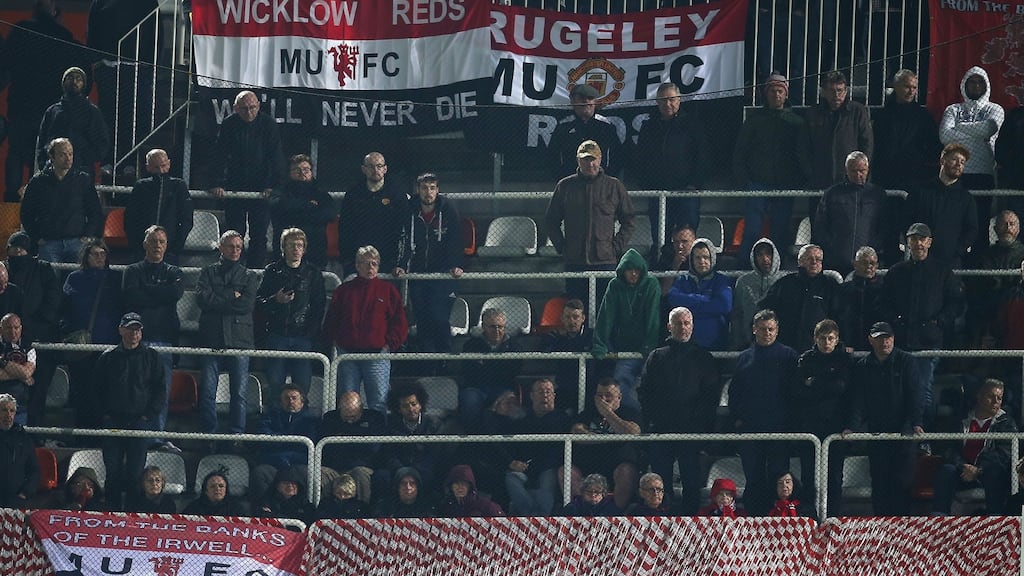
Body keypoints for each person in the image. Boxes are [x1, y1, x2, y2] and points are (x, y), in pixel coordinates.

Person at [638, 307, 721, 515]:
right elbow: (645, 393)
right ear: (669, 326)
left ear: (692, 326)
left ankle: (690, 528)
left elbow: (710, 397)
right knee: (660, 484)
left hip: (691, 432)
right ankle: (661, 523)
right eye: (678, 323)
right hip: (661, 431)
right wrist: (653, 422)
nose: (682, 327)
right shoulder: (656, 357)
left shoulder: (704, 358)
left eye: (686, 323)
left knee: (692, 483)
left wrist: (700, 427)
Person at [882, 223, 963, 434]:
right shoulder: (895, 272)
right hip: (900, 342)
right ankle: (903, 436)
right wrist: (896, 320)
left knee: (923, 391)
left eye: (922, 238)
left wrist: (939, 321)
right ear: (908, 242)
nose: (918, 243)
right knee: (898, 392)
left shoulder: (942, 271)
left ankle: (922, 437)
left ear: (929, 242)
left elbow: (956, 302)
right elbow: (883, 303)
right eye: (913, 238)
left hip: (928, 342)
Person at [0, 0, 82, 200]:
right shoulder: (63, 37)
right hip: (50, 108)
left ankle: (11, 199)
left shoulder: (20, 30)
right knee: (44, 155)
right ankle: (36, 198)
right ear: (55, 13)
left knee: (16, 152)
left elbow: (7, 62)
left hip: (21, 103)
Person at [847, 321, 924, 516]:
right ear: (870, 340)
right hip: (877, 433)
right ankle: (880, 531)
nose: (885, 342)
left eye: (888, 337)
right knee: (880, 483)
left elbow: (915, 395)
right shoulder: (863, 366)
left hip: (903, 434)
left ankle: (902, 531)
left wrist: (915, 423)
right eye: (880, 338)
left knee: (902, 484)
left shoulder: (906, 361)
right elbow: (858, 400)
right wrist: (852, 427)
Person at [544, 140, 634, 305]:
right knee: (576, 310)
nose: (590, 163)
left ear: (600, 159)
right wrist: (562, 247)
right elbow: (551, 221)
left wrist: (615, 247)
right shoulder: (564, 186)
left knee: (605, 308)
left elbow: (629, 220)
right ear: (578, 161)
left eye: (593, 159)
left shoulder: (614, 186)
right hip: (575, 261)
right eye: (585, 159)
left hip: (605, 261)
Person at [734, 73, 811, 260]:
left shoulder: (797, 123)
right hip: (757, 183)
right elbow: (740, 152)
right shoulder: (754, 121)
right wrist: (745, 181)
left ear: (786, 95)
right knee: (751, 230)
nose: (776, 95)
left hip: (785, 184)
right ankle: (744, 268)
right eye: (772, 91)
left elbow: (803, 154)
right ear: (765, 94)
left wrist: (800, 180)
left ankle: (779, 270)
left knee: (780, 231)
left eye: (780, 91)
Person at [121, 225, 184, 453]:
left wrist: (147, 291)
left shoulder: (175, 272)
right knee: (136, 390)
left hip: (165, 338)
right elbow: (131, 296)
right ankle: (136, 437)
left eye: (162, 242)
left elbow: (174, 294)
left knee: (161, 391)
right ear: (145, 244)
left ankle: (156, 437)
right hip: (138, 341)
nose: (157, 245)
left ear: (166, 246)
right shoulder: (133, 270)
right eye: (153, 241)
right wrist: (160, 292)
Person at [730, 309, 798, 516]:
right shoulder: (744, 358)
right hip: (751, 431)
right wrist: (738, 420)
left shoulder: (789, 356)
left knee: (779, 479)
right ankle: (754, 524)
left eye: (771, 329)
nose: (767, 333)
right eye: (762, 329)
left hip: (779, 430)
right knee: (753, 478)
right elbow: (735, 392)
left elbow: (795, 393)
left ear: (777, 331)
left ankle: (779, 523)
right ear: (754, 330)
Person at [324, 245, 407, 414]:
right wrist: (335, 341)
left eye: (374, 263)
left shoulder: (388, 291)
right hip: (347, 355)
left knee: (378, 404)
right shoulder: (343, 291)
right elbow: (332, 320)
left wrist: (388, 345)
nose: (371, 267)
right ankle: (346, 439)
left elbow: (400, 323)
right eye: (366, 263)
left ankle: (375, 441)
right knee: (347, 403)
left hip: (377, 356)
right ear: (357, 265)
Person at [209, 90, 286, 269]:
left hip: (261, 189)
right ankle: (233, 271)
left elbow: (275, 157)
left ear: (258, 106)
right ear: (235, 108)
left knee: (259, 234)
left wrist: (273, 186)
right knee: (235, 233)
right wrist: (217, 183)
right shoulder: (229, 124)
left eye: (252, 108)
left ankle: (255, 272)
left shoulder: (268, 124)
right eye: (244, 109)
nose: (249, 112)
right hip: (235, 186)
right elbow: (220, 155)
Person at [95, 312, 164, 502]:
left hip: (139, 422)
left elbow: (160, 389)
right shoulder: (107, 358)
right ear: (120, 330)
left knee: (135, 473)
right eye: (130, 329)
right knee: (113, 471)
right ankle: (111, 515)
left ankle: (132, 518)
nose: (134, 333)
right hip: (113, 421)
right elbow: (96, 390)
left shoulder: (152, 357)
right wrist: (105, 415)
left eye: (137, 329)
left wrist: (148, 416)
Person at [393, 173, 463, 355]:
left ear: (438, 190)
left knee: (439, 317)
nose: (428, 192)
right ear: (418, 190)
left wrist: (455, 264)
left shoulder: (448, 209)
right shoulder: (409, 209)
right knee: (422, 319)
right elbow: (403, 238)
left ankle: (443, 359)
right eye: (424, 188)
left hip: (443, 274)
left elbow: (456, 239)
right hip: (418, 272)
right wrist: (401, 263)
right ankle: (426, 362)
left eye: (432, 188)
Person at [197, 230, 258, 436]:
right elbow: (202, 300)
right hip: (211, 339)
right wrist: (231, 295)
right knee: (207, 393)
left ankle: (236, 435)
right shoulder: (207, 272)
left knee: (239, 394)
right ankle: (208, 434)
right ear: (221, 248)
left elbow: (246, 305)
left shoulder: (250, 276)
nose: (235, 250)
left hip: (240, 340)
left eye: (238, 247)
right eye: (231, 246)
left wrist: (218, 300)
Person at [940, 66, 1004, 258]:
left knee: (979, 224)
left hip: (983, 174)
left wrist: (958, 129)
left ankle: (977, 274)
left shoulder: (995, 109)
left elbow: (989, 129)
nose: (976, 86)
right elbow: (944, 136)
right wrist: (975, 133)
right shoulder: (953, 109)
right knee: (954, 223)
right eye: (972, 82)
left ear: (986, 85)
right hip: (956, 175)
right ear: (964, 85)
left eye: (979, 82)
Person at [790, 319, 852, 516]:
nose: (826, 342)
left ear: (837, 340)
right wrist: (830, 384)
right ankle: (810, 519)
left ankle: (832, 518)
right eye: (823, 338)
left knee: (834, 478)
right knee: (809, 476)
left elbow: (845, 389)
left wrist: (814, 382)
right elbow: (798, 391)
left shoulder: (845, 360)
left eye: (830, 338)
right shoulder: (805, 360)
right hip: (810, 427)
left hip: (836, 427)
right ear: (815, 338)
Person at [932, 378, 1017, 516]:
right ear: (979, 396)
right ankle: (939, 519)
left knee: (995, 472)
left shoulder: (1006, 423)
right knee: (947, 470)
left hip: (987, 472)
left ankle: (994, 520)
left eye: (999, 398)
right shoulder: (961, 419)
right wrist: (962, 466)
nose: (996, 401)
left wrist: (979, 469)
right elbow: (948, 448)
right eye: (991, 396)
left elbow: (1004, 455)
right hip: (962, 470)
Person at [256, 228, 325, 397]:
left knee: (302, 387)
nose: (296, 249)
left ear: (304, 249)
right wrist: (275, 300)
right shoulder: (272, 271)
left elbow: (319, 306)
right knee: (275, 386)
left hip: (303, 337)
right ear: (283, 248)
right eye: (292, 245)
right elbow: (258, 302)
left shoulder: (313, 273)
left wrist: (310, 333)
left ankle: (300, 422)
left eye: (300, 245)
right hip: (277, 335)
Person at [634, 82, 705, 242]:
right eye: (663, 100)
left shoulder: (692, 125)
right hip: (658, 193)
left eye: (672, 99)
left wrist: (694, 184)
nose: (668, 104)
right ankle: (661, 265)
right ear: (657, 102)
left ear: (679, 100)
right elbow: (640, 158)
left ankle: (687, 265)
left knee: (687, 237)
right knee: (660, 238)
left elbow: (703, 157)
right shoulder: (649, 127)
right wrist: (647, 185)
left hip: (687, 193)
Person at [62, 240, 122, 430]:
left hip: (107, 344)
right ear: (86, 257)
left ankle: (99, 435)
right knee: (82, 391)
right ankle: (83, 434)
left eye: (102, 253)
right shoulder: (74, 278)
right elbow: (65, 308)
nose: (99, 257)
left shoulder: (115, 278)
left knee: (103, 391)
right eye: (94, 254)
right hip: (81, 346)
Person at [592, 248, 661, 411]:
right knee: (620, 383)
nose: (634, 274)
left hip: (647, 350)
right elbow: (605, 315)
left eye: (637, 270)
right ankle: (631, 419)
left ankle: (643, 421)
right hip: (624, 348)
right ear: (623, 271)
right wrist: (600, 344)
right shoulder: (615, 285)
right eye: (629, 270)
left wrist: (649, 347)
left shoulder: (651, 284)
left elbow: (653, 318)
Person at [6, 231, 60, 426]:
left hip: (40, 339)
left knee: (38, 391)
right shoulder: (4, 270)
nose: (18, 252)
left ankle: (35, 433)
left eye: (22, 249)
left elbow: (52, 303)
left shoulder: (43, 269)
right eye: (14, 249)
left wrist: (30, 328)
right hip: (7, 342)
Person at [21, 138, 103, 263]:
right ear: (52, 157)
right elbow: (26, 213)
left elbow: (95, 211)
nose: (68, 158)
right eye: (62, 154)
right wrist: (37, 238)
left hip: (77, 243)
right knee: (49, 281)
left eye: (70, 154)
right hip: (48, 244)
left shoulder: (83, 180)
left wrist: (86, 236)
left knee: (76, 281)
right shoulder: (38, 182)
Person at [812, 151, 890, 274]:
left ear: (868, 169)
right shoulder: (832, 194)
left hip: (867, 261)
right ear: (846, 170)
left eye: (862, 170)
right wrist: (831, 247)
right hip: (837, 261)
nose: (858, 174)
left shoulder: (877, 195)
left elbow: (885, 225)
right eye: (854, 171)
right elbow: (820, 225)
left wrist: (874, 247)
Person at [570, 378, 642, 511]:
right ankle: (582, 512)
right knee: (567, 471)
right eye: (599, 395)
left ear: (619, 397)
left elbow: (632, 432)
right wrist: (609, 438)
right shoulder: (588, 413)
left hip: (617, 466)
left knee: (626, 471)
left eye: (608, 395)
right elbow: (577, 431)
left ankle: (613, 514)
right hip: (588, 465)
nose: (603, 399)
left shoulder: (629, 413)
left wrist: (608, 413)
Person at [903, 143, 978, 267]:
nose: (959, 164)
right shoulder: (920, 191)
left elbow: (972, 229)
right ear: (942, 160)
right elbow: (906, 219)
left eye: (963, 162)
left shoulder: (966, 199)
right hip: (920, 260)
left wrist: (956, 250)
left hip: (950, 263)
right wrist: (916, 246)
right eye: (954, 159)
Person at [505, 378, 572, 516]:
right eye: (541, 392)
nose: (545, 395)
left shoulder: (562, 418)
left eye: (548, 392)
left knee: (547, 483)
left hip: (548, 468)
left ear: (554, 396)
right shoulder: (523, 419)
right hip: (525, 468)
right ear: (532, 396)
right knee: (511, 478)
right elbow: (511, 447)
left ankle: (538, 520)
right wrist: (514, 462)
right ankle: (532, 519)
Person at [758, 244, 837, 352]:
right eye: (809, 258)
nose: (814, 262)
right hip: (787, 348)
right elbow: (764, 311)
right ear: (800, 261)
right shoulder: (784, 284)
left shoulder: (830, 285)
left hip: (819, 350)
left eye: (818, 259)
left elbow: (840, 315)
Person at [337, 152, 407, 274]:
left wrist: (399, 262)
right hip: (359, 261)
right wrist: (347, 259)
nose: (375, 170)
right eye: (371, 166)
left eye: (379, 166)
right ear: (363, 169)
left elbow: (404, 229)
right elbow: (344, 228)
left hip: (389, 261)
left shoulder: (397, 195)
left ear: (385, 169)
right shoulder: (353, 195)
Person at [870, 69, 941, 189]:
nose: (911, 91)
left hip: (914, 175)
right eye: (907, 87)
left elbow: (933, 144)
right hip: (885, 175)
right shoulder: (882, 115)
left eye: (914, 87)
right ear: (896, 86)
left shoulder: (923, 116)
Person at [803, 70, 873, 191]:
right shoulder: (813, 113)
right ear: (824, 92)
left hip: (850, 179)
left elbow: (867, 143)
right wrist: (811, 173)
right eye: (831, 91)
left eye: (840, 90)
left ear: (846, 91)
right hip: (819, 179)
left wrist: (860, 172)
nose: (836, 95)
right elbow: (803, 146)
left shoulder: (858, 111)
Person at [35, 66, 109, 177]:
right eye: (70, 78)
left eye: (78, 79)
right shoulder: (53, 111)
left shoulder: (92, 111)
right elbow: (42, 140)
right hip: (53, 170)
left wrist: (84, 159)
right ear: (63, 82)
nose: (74, 81)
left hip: (81, 171)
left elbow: (102, 142)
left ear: (84, 84)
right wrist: (44, 162)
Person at [124, 149, 194, 262]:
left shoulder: (179, 186)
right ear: (148, 167)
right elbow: (130, 219)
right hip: (142, 249)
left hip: (170, 249)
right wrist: (137, 246)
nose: (161, 171)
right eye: (156, 167)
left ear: (169, 164)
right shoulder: (141, 186)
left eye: (163, 166)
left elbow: (186, 219)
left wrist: (175, 248)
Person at [457, 307, 522, 427]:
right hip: (476, 388)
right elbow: (468, 372)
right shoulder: (471, 345)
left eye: (500, 327)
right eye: (492, 326)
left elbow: (513, 372)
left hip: (504, 387)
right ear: (484, 326)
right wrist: (498, 366)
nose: (497, 330)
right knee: (469, 400)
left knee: (509, 404)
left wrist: (485, 365)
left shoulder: (514, 346)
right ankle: (472, 439)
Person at [250, 384, 319, 499]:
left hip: (298, 465)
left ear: (302, 402)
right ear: (281, 401)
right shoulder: (270, 416)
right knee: (260, 473)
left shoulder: (311, 421)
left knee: (309, 476)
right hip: (273, 463)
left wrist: (279, 440)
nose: (290, 401)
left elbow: (307, 446)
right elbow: (264, 438)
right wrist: (292, 439)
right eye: (287, 398)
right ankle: (264, 510)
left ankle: (304, 511)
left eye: (294, 398)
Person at [318, 391, 386, 505]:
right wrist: (359, 439)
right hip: (335, 468)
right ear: (340, 409)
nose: (349, 420)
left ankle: (362, 512)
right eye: (345, 417)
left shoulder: (374, 418)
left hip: (363, 467)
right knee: (320, 472)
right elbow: (327, 449)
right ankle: (325, 511)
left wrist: (342, 437)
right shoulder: (330, 418)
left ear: (361, 409)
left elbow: (373, 448)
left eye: (353, 417)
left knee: (360, 473)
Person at [268, 154, 335, 268]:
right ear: (289, 172)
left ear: (311, 172)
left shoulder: (320, 192)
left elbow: (330, 214)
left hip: (315, 250)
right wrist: (309, 206)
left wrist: (295, 212)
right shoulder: (282, 190)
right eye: (297, 170)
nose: (302, 173)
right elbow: (278, 206)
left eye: (306, 169)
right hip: (286, 252)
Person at [666, 238, 733, 351]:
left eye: (706, 257)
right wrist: (704, 301)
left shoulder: (721, 280)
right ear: (691, 260)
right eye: (697, 257)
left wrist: (690, 305)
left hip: (715, 344)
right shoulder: (682, 279)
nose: (702, 261)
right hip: (685, 345)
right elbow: (673, 299)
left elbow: (724, 305)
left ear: (712, 258)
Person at [550, 84, 623, 178]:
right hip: (572, 182)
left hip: (601, 181)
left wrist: (607, 178)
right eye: (581, 98)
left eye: (590, 98)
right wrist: (562, 178)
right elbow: (552, 156)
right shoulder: (564, 127)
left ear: (595, 102)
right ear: (572, 101)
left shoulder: (606, 126)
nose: (586, 101)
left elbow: (617, 156)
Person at [381, 381, 440, 491]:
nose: (411, 409)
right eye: (405, 406)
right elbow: (389, 454)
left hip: (423, 470)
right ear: (398, 409)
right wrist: (401, 470)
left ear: (420, 404)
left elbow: (433, 454)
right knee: (382, 477)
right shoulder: (391, 426)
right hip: (398, 469)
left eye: (414, 404)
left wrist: (415, 470)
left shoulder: (433, 424)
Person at [541, 298, 592, 413]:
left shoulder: (592, 336)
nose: (571, 321)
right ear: (562, 319)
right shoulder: (557, 336)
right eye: (567, 317)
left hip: (590, 388)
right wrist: (562, 339)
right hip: (565, 388)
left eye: (575, 317)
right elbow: (544, 348)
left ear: (583, 318)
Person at [731, 238, 784, 350]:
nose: (765, 259)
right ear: (754, 257)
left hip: (778, 344)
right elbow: (737, 315)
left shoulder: (784, 281)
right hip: (748, 344)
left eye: (768, 254)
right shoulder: (743, 282)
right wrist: (739, 342)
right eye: (760, 255)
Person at [832, 246, 885, 352]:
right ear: (855, 264)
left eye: (872, 263)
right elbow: (836, 318)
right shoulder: (843, 290)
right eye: (864, 263)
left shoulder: (885, 290)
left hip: (878, 348)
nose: (869, 266)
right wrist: (842, 344)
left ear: (877, 265)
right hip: (849, 348)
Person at [0, 393, 39, 508]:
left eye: (12, 411)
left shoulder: (24, 438)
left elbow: (34, 470)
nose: (8, 415)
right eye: (4, 410)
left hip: (16, 501)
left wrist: (25, 493)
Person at [0, 314, 35, 427]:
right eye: (9, 328)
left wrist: (2, 362)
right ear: (1, 329)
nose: (13, 332)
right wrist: (20, 374)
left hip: (19, 405)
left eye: (16, 328)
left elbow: (27, 372)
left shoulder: (29, 348)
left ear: (21, 328)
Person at [438, 464, 504, 518]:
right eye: (456, 483)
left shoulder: (487, 506)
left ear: (470, 486)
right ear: (451, 486)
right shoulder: (446, 508)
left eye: (464, 483)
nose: (460, 487)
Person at [649, 224, 697, 296]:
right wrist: (675, 265)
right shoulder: (666, 257)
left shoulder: (702, 257)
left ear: (694, 241)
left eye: (685, 241)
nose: (680, 246)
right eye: (676, 242)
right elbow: (663, 291)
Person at [184, 471, 250, 517]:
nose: (217, 489)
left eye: (221, 486)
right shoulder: (194, 508)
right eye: (213, 486)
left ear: (226, 489)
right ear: (206, 491)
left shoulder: (236, 508)